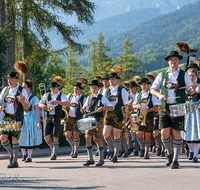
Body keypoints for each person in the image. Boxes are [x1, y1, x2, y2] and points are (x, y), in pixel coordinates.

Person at [150, 50, 197, 169]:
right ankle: (169, 153)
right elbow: (152, 89)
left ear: (178, 61)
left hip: (179, 106)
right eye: (171, 59)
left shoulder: (184, 75)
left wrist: (193, 88)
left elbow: (190, 92)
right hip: (165, 107)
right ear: (168, 61)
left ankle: (175, 160)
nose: (173, 61)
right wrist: (160, 95)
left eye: (175, 59)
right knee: (164, 133)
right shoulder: (162, 75)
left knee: (177, 133)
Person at [80, 80, 114, 166]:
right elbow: (85, 106)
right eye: (91, 88)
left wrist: (103, 108)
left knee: (98, 139)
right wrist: (83, 108)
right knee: (87, 137)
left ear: (98, 88)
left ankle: (101, 159)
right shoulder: (88, 98)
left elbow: (111, 108)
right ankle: (90, 159)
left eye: (95, 88)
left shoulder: (102, 97)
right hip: (90, 120)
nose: (93, 89)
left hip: (99, 120)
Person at [0, 70, 29, 168]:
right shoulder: (5, 90)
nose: (9, 81)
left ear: (16, 80)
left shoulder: (22, 90)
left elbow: (27, 106)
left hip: (16, 116)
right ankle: (11, 155)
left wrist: (22, 101)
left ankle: (15, 161)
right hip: (6, 116)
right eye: (8, 79)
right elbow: (0, 101)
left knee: (14, 138)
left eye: (11, 79)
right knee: (2, 138)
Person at [39, 76, 69, 160]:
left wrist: (57, 102)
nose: (52, 89)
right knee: (46, 137)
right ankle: (54, 150)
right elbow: (40, 103)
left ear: (57, 88)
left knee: (55, 136)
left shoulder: (62, 95)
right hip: (48, 117)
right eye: (51, 88)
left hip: (57, 117)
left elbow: (67, 103)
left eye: (54, 88)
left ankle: (54, 154)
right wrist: (42, 106)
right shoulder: (47, 95)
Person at [103, 72, 129, 163]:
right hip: (108, 114)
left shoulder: (122, 90)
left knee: (117, 135)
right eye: (110, 79)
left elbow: (126, 104)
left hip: (118, 114)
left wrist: (125, 117)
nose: (111, 81)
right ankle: (111, 148)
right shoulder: (106, 91)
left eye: (113, 79)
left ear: (117, 80)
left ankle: (115, 155)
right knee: (105, 134)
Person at [133, 78, 158, 159]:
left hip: (149, 117)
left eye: (145, 84)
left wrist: (149, 110)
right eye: (142, 84)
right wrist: (137, 106)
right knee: (138, 134)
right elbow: (133, 106)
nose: (143, 86)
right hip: (140, 116)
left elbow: (156, 107)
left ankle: (146, 153)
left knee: (147, 135)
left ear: (148, 85)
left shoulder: (152, 95)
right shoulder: (138, 95)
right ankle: (143, 148)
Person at [19, 80, 42, 162]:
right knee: (21, 137)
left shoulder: (34, 98)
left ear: (29, 88)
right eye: (22, 87)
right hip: (22, 118)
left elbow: (37, 111)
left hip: (31, 120)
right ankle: (24, 154)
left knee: (30, 138)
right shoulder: (20, 97)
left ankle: (29, 156)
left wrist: (39, 122)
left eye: (24, 87)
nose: (23, 88)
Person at [182, 69, 200, 162]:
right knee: (186, 131)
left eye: (193, 76)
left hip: (196, 111)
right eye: (190, 76)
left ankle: (196, 155)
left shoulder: (199, 86)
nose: (191, 77)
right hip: (186, 110)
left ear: (196, 76)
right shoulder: (185, 87)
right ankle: (191, 151)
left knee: (195, 132)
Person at [64, 82, 86, 158]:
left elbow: (85, 109)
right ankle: (74, 148)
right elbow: (65, 104)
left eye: (76, 89)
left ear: (80, 89)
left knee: (76, 134)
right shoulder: (69, 96)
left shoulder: (83, 98)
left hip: (78, 118)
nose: (75, 90)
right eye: (74, 88)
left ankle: (75, 152)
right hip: (68, 118)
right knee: (67, 135)